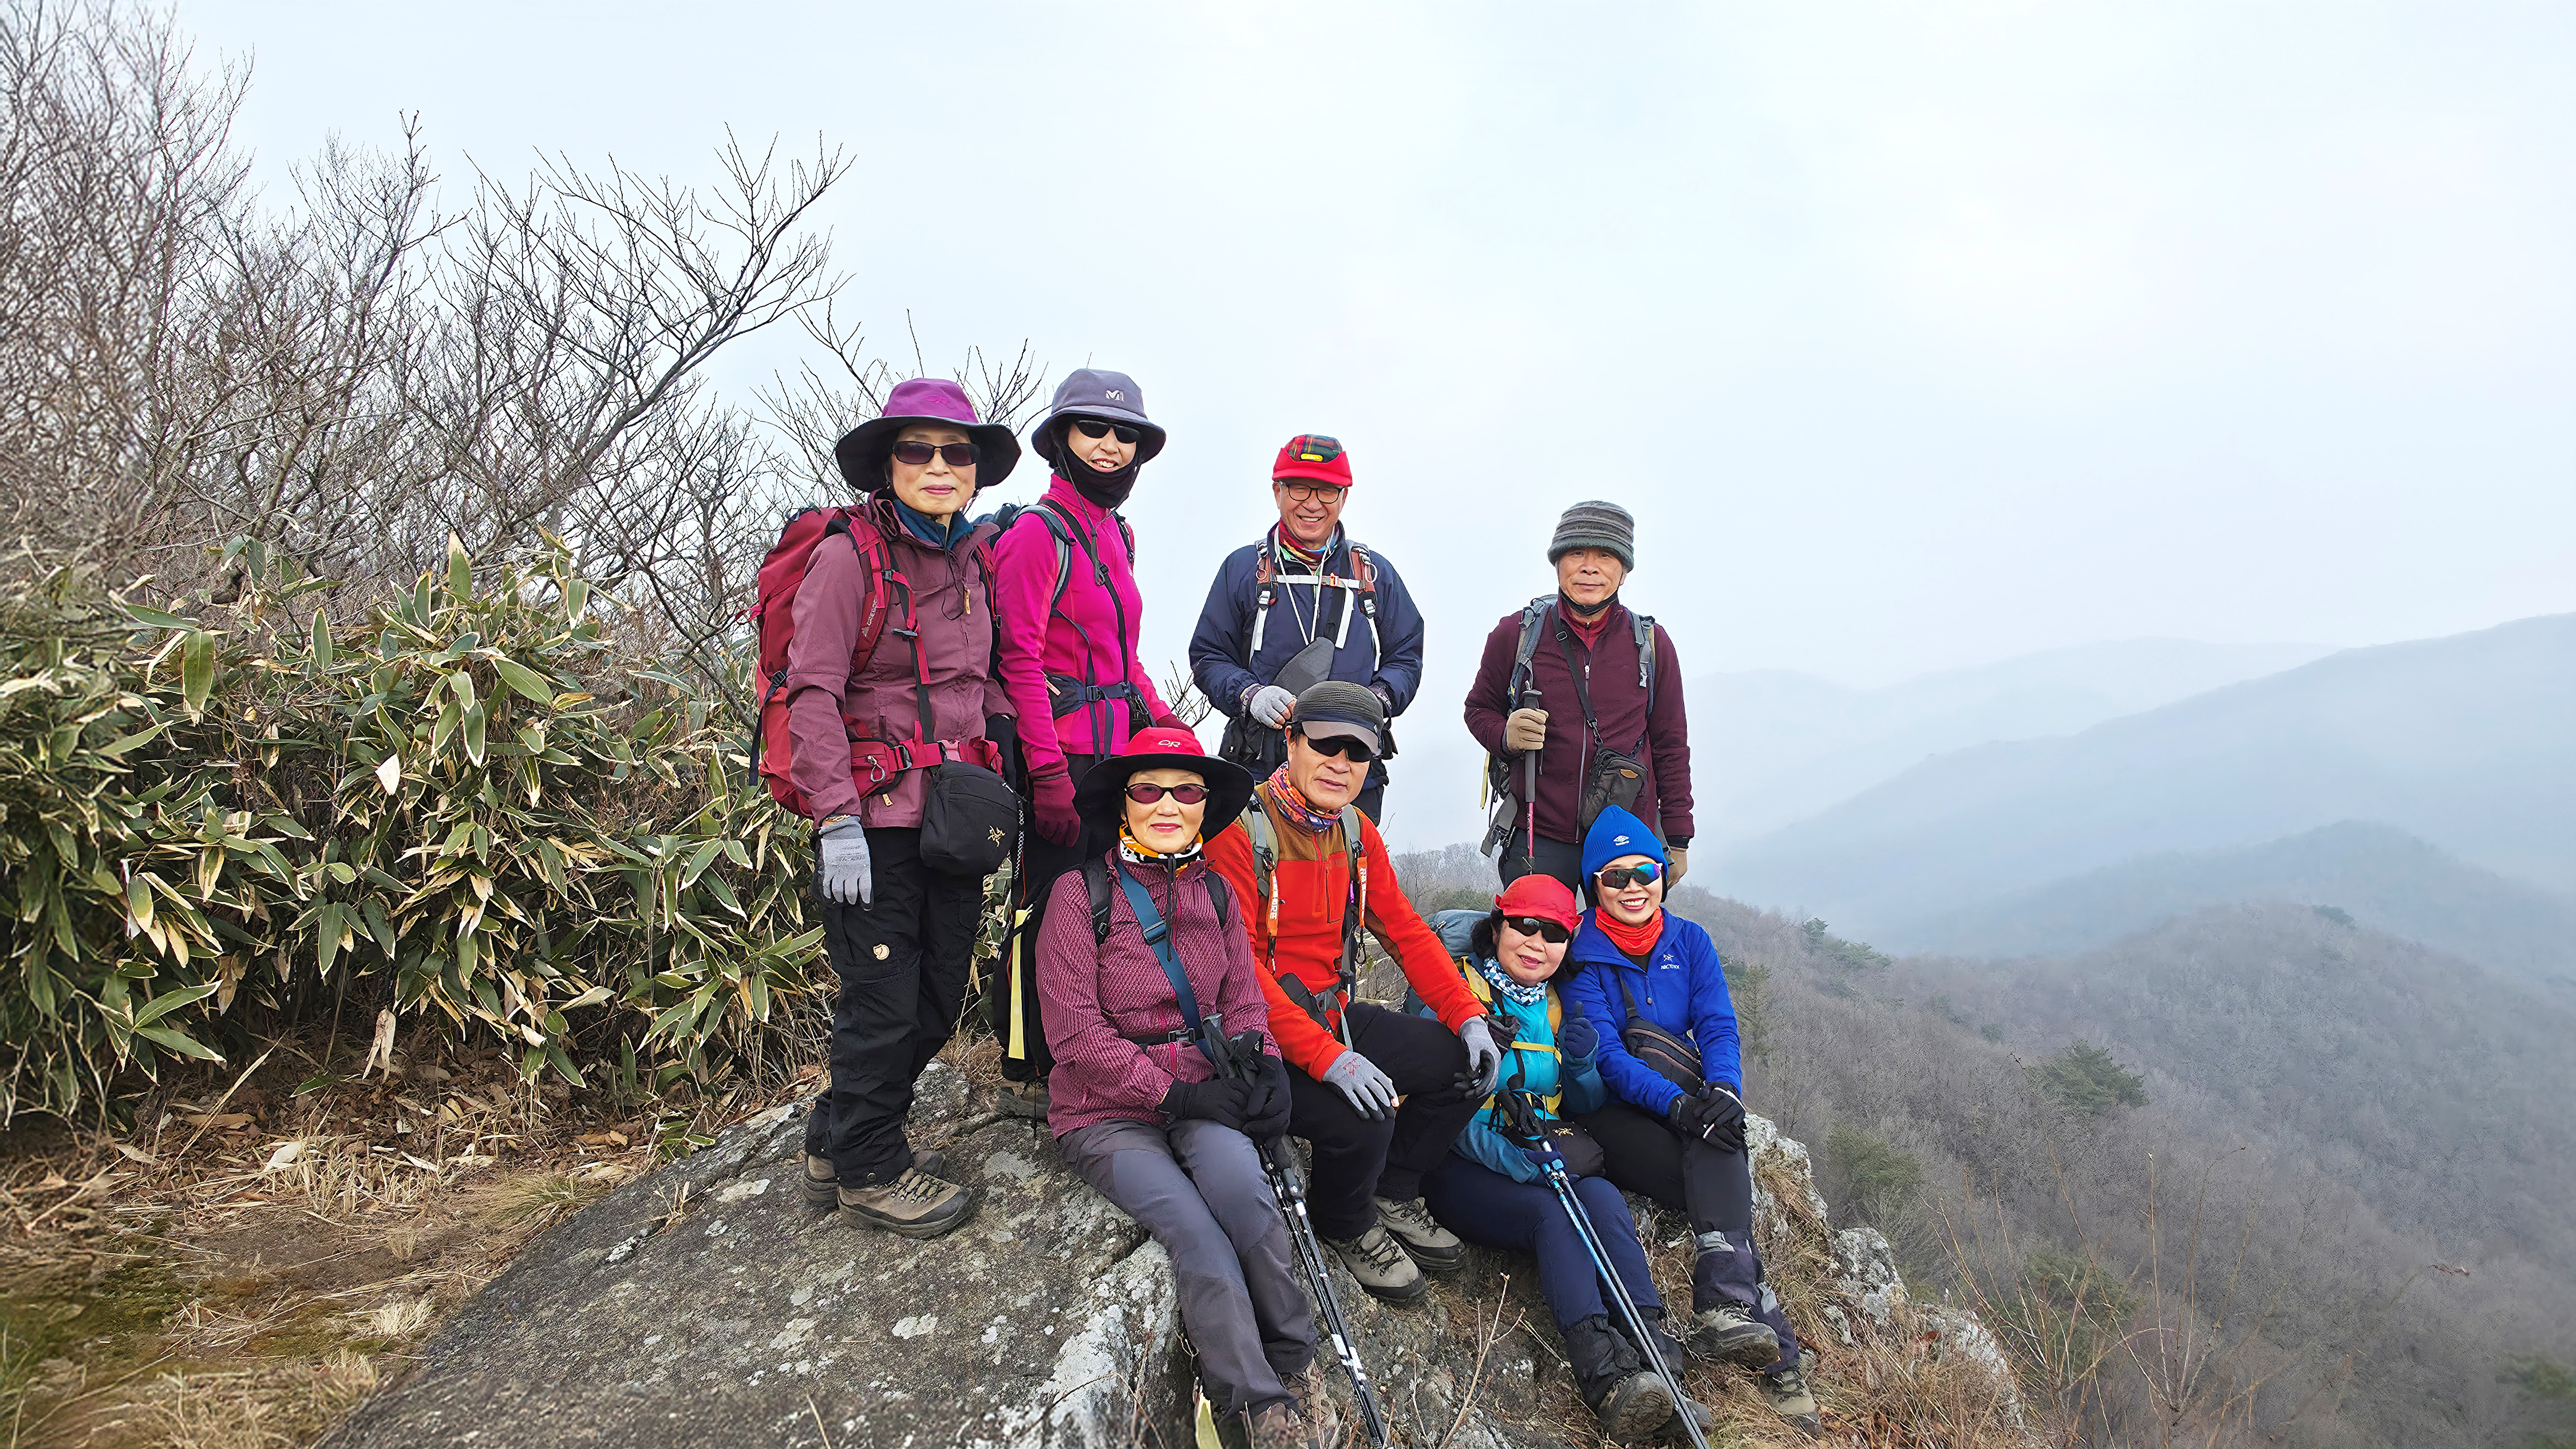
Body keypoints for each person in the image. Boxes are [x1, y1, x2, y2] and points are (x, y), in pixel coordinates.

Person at [1034, 728, 1328, 1449]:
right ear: (1124, 804)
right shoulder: (1078, 894)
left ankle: (1296, 1357)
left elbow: (1244, 1003)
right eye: (1148, 789)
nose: (1168, 804)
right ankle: (1256, 1409)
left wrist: (1266, 1067)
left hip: (1205, 1088)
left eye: (1186, 790)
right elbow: (1074, 1036)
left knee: (1246, 1194)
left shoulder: (1219, 895)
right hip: (1105, 1111)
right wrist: (1177, 1098)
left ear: (1204, 806)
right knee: (1195, 1230)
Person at [788, 378, 1018, 1238]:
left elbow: (982, 684)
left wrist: (1016, 774)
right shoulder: (848, 558)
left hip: (953, 819)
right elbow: (811, 691)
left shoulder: (973, 562)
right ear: (888, 464)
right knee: (882, 1001)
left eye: (956, 451)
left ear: (975, 469)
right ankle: (871, 1171)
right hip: (874, 820)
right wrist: (835, 818)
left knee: (936, 996)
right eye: (917, 449)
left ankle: (834, 1138)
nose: (938, 465)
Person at [1204, 680, 1504, 1304]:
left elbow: (1407, 933)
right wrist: (1330, 1059)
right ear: (1291, 741)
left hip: (1332, 1017)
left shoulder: (1356, 832)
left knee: (1466, 1061)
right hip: (1260, 1037)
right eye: (1325, 745)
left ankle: (1393, 1190)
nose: (1341, 764)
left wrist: (1468, 1016)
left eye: (1358, 752)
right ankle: (1345, 1222)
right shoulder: (1240, 831)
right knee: (1363, 1116)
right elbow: (1240, 973)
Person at [1417, 875, 1714, 1443]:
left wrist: (1580, 1068)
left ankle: (1657, 1361)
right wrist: (1514, 1161)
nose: (1537, 942)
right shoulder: (1456, 993)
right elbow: (1440, 1115)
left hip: (1537, 1149)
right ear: (1497, 927)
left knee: (1601, 1197)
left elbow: (1578, 1105)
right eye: (1524, 925)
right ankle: (1605, 1376)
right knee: (1551, 1215)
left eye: (1554, 933)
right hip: (1459, 1164)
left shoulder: (1552, 1006)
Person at [1559, 806, 1820, 1435]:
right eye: (1615, 877)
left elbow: (1719, 1024)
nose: (1633, 887)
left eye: (1645, 873)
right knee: (1720, 1183)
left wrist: (1724, 1090)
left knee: (1722, 1138)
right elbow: (1610, 1059)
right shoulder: (1580, 956)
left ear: (1662, 875)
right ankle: (1778, 1356)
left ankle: (1725, 1307)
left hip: (1687, 1103)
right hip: (1615, 1116)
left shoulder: (1691, 941)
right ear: (1594, 884)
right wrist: (1681, 1108)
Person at [988, 369, 1191, 1120]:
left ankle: (1091, 1053)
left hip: (1114, 762)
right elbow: (1020, 662)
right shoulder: (1038, 535)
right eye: (1093, 429)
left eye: (1124, 434)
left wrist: (1168, 728)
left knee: (1106, 910)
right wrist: (1045, 775)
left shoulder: (1117, 533)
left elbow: (1125, 659)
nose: (1109, 445)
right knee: (1046, 912)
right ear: (1061, 438)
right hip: (1062, 757)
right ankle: (1027, 1064)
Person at [1189, 433, 1426, 824]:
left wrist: (1378, 699)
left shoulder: (1375, 575)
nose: (1313, 504)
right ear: (1277, 492)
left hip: (1349, 772)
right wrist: (1251, 695)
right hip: (1260, 768)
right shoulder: (1243, 569)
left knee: (1348, 864)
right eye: (1299, 488)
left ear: (1344, 498)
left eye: (1328, 491)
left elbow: (1406, 657)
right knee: (1253, 863)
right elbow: (1208, 656)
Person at [1463, 501, 1694, 898]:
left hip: (1626, 837)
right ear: (1557, 564)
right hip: (1537, 833)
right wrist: (1505, 735)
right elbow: (1479, 709)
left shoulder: (1652, 646)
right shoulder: (1517, 635)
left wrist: (1678, 838)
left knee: (1620, 939)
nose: (1590, 568)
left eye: (1605, 556)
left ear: (1624, 571)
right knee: (1536, 938)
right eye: (1577, 554)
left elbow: (1670, 745)